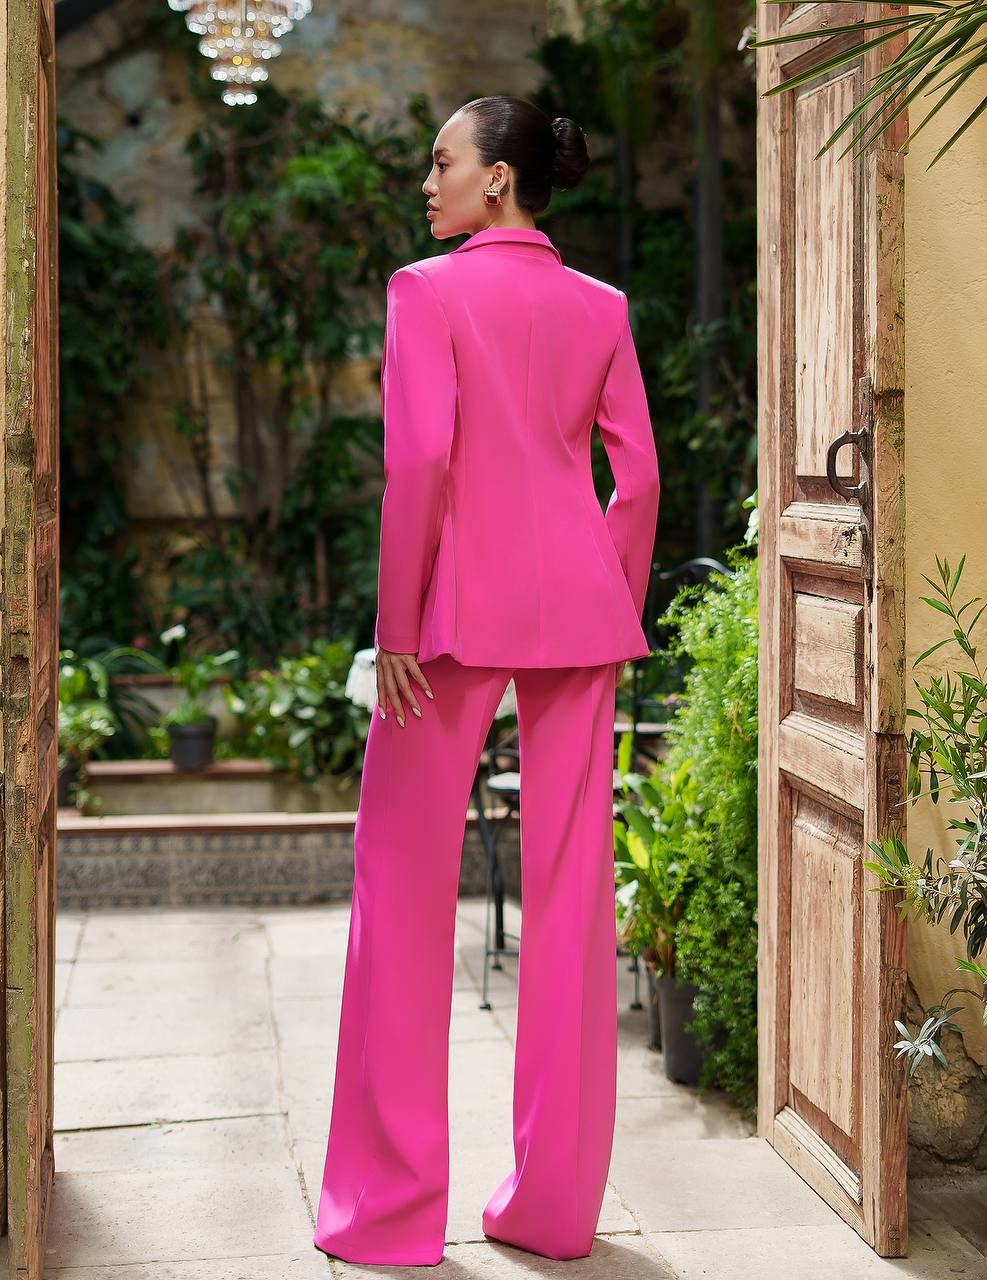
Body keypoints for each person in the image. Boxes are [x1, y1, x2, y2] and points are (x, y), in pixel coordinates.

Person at [313, 94, 660, 1267]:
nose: (429, 182)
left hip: (449, 623)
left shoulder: (428, 290)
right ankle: (552, 1207)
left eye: (442, 162)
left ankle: (391, 1214)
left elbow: (417, 462)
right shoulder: (602, 306)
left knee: (402, 898)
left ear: (498, 180)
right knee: (570, 903)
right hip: (579, 619)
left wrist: (397, 626)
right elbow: (639, 482)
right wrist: (602, 607)